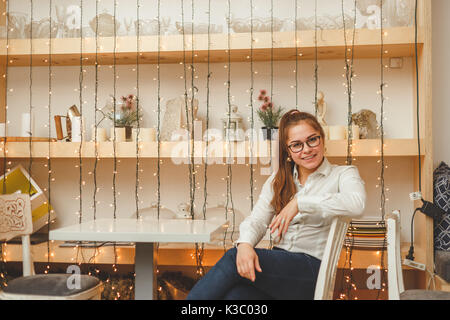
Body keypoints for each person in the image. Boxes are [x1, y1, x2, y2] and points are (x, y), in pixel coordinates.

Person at [186, 110, 366, 300]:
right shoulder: (278, 180)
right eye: (296, 145)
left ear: (322, 139)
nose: (306, 149)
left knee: (232, 259)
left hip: (313, 271)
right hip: (280, 268)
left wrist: (300, 202)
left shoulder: (343, 174)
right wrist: (245, 244)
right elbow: (257, 220)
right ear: (287, 151)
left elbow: (357, 204)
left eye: (312, 139)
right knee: (236, 296)